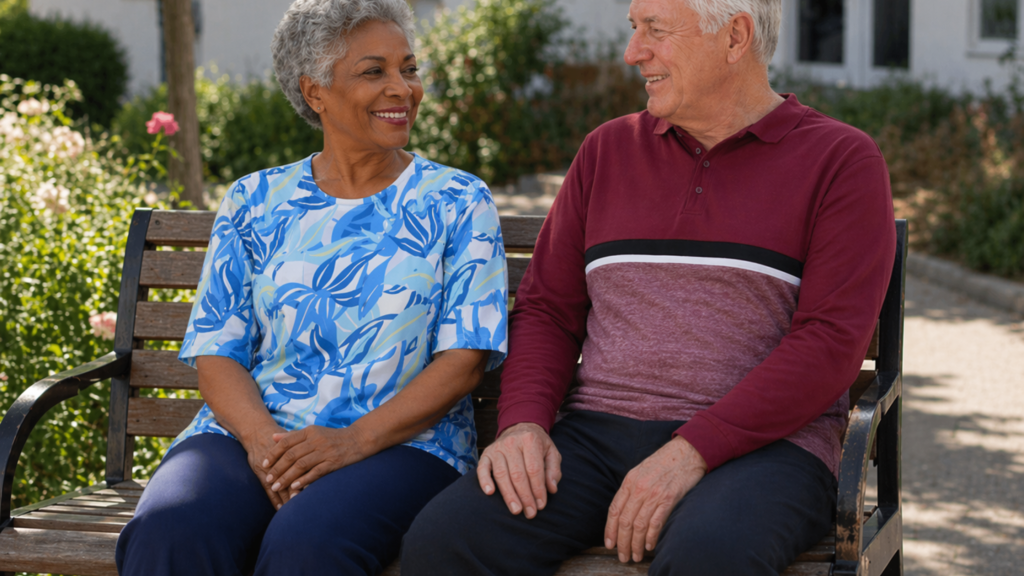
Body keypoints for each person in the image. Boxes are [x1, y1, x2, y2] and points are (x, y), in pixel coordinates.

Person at [402, 0, 896, 574]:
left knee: (707, 560)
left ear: (735, 37)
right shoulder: (607, 151)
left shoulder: (841, 161)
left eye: (655, 31)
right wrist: (523, 424)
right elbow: (546, 311)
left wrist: (692, 450)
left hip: (767, 450)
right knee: (447, 542)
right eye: (634, 30)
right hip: (595, 437)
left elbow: (829, 345)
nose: (633, 53)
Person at [115, 1, 507, 574]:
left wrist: (349, 443)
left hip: (403, 445)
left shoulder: (456, 201)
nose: (403, 88)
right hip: (256, 438)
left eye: (409, 68)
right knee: (170, 529)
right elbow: (217, 351)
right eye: (374, 71)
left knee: (309, 545)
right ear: (314, 91)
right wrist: (267, 447)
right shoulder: (254, 200)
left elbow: (467, 359)